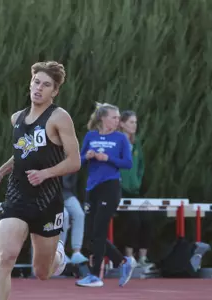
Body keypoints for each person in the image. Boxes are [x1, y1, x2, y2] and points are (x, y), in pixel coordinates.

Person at [0, 61, 81, 300]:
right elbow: (21, 154)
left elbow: (74, 161)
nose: (39, 88)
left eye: (46, 84)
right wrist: (0, 171)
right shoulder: (17, 118)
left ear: (55, 91)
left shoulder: (59, 118)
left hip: (48, 200)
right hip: (18, 196)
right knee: (6, 256)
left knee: (42, 272)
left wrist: (46, 173)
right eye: (36, 82)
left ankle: (58, 255)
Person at [75, 103, 136, 288]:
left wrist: (107, 158)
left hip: (110, 187)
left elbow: (127, 163)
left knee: (99, 231)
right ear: (102, 118)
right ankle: (123, 262)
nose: (118, 121)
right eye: (114, 117)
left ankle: (95, 276)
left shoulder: (120, 139)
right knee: (91, 234)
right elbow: (79, 160)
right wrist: (88, 156)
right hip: (92, 187)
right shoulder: (91, 136)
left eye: (118, 118)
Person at [119, 110, 152, 269]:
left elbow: (141, 165)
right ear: (122, 124)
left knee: (147, 220)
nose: (134, 125)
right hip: (119, 190)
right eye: (131, 122)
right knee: (132, 220)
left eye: (136, 122)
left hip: (135, 190)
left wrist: (137, 181)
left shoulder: (136, 142)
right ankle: (129, 257)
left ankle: (143, 258)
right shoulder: (117, 141)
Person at [59, 173, 88, 265]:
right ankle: (60, 253)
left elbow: (74, 183)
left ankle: (77, 251)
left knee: (79, 214)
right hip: (50, 192)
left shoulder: (72, 160)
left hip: (67, 193)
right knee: (64, 215)